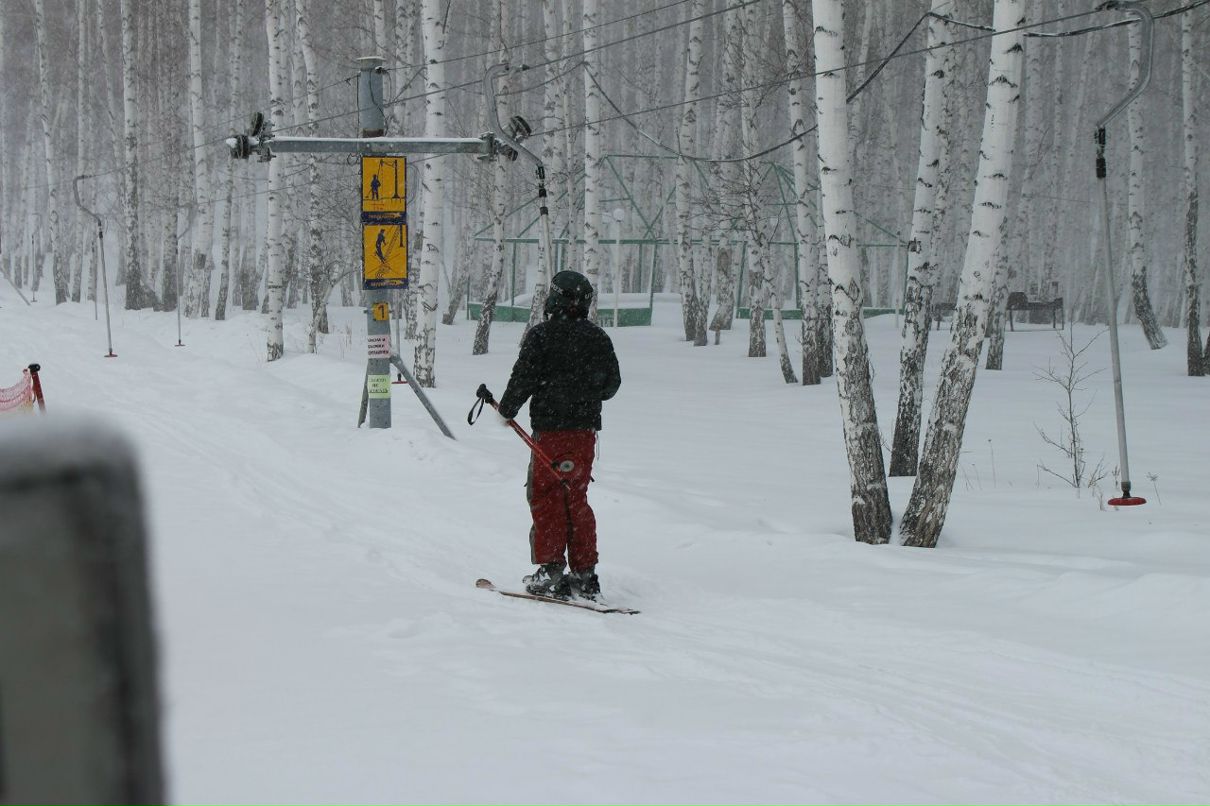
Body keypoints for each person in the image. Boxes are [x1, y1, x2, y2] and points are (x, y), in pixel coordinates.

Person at [496, 270, 621, 600]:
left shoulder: (541, 336)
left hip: (550, 434)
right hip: (584, 436)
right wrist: (585, 392)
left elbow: (523, 378)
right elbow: (612, 385)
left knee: (546, 496)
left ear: (554, 299)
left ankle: (551, 567)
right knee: (576, 497)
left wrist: (507, 409)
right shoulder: (598, 338)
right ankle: (585, 572)